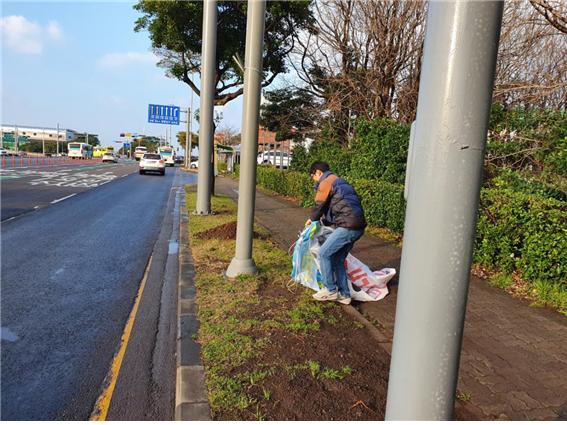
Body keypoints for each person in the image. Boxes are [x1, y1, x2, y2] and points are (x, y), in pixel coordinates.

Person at [306, 161, 367, 305]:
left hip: (348, 226)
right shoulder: (339, 181)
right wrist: (323, 222)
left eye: (312, 176)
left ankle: (330, 290)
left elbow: (319, 205)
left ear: (318, 172)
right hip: (357, 226)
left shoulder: (326, 182)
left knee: (323, 253)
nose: (313, 180)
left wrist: (311, 219)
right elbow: (336, 209)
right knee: (338, 260)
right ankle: (345, 295)